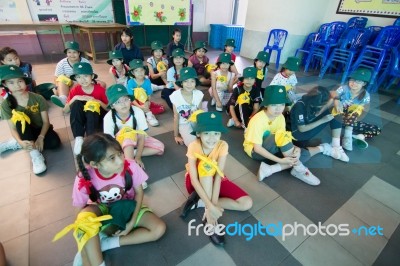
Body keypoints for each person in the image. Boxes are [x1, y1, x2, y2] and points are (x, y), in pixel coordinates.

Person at [53, 133, 165, 266]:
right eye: (112, 158)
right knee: (84, 221)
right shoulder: (84, 176)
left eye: (120, 154)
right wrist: (82, 234)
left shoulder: (131, 166)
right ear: (95, 164)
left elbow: (139, 193)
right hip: (101, 209)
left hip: (127, 207)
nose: (120, 161)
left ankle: (106, 243)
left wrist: (131, 223)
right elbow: (79, 209)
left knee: (159, 229)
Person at [180, 111, 252, 246]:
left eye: (216, 133)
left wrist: (210, 206)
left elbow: (219, 175)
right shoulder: (193, 146)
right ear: (198, 133)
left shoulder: (223, 145)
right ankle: (210, 221)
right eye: (207, 133)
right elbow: (194, 179)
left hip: (214, 178)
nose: (212, 138)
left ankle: (200, 202)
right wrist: (210, 210)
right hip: (194, 182)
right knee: (206, 167)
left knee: (246, 203)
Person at [244, 85, 320, 186]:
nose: (278, 108)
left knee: (303, 153)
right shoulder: (258, 120)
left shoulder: (280, 117)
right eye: (274, 105)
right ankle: (299, 169)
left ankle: (270, 169)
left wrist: (296, 148)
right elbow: (257, 148)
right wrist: (280, 160)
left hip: (273, 147)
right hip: (256, 151)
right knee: (281, 138)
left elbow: (284, 138)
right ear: (266, 105)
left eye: (281, 104)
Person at [0, 65, 61, 174]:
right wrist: (21, 141)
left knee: (54, 143)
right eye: (11, 83)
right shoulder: (6, 104)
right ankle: (34, 154)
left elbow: (46, 122)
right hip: (23, 130)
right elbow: (13, 128)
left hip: (40, 129)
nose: (17, 85)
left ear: (24, 81)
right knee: (20, 120)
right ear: (5, 84)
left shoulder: (38, 98)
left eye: (20, 81)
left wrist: (41, 137)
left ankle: (18, 143)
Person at [104, 84, 165, 188]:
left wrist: (138, 156)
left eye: (125, 99)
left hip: (137, 139)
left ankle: (131, 154)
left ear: (130, 100)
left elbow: (141, 136)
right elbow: (109, 141)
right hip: (119, 144)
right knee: (128, 135)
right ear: (112, 106)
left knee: (160, 148)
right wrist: (119, 151)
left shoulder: (137, 111)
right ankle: (134, 172)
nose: (123, 104)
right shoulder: (108, 117)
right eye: (118, 102)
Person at [289, 86, 349, 162]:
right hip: (298, 134)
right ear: (314, 104)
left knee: (336, 111)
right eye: (322, 105)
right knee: (300, 154)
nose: (323, 106)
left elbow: (334, 93)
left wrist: (336, 100)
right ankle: (326, 148)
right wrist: (323, 120)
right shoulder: (300, 106)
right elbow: (302, 129)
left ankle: (336, 145)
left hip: (310, 121)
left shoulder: (318, 96)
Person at [62, 62, 108, 155]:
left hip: (97, 119)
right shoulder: (75, 90)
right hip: (83, 118)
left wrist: (97, 101)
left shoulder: (100, 90)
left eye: (86, 76)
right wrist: (75, 98)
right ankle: (79, 138)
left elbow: (108, 109)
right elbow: (65, 110)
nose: (82, 80)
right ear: (75, 78)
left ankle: (91, 140)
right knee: (76, 103)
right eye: (79, 77)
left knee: (92, 105)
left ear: (92, 76)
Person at [331, 68, 380, 150]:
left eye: (359, 81)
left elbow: (360, 110)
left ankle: (356, 136)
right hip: (337, 117)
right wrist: (337, 103)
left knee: (376, 129)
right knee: (350, 112)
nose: (354, 83)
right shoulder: (343, 88)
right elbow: (335, 96)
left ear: (364, 83)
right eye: (352, 80)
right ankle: (347, 137)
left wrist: (354, 116)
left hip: (351, 120)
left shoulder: (366, 96)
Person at [170, 67, 204, 146]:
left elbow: (200, 113)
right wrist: (176, 135)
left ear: (195, 83)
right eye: (186, 81)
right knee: (192, 144)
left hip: (195, 120)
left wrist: (203, 129)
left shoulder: (199, 94)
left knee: (207, 138)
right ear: (181, 83)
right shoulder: (175, 96)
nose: (189, 84)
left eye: (192, 81)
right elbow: (176, 117)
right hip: (184, 123)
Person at [51, 41, 90, 107]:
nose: (72, 55)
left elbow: (90, 76)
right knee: (61, 78)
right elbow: (56, 78)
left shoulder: (85, 62)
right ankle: (63, 99)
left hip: (80, 83)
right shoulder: (61, 63)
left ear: (79, 53)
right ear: (66, 53)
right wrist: (59, 86)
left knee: (100, 83)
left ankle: (65, 96)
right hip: (66, 84)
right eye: (69, 52)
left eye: (74, 52)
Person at [127, 59, 165, 127]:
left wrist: (147, 102)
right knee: (133, 112)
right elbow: (131, 98)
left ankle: (146, 114)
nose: (139, 73)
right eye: (136, 71)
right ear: (133, 73)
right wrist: (139, 106)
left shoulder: (147, 81)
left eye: (141, 70)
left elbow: (148, 94)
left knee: (160, 108)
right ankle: (148, 114)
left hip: (144, 101)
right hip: (133, 102)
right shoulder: (130, 82)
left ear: (144, 71)